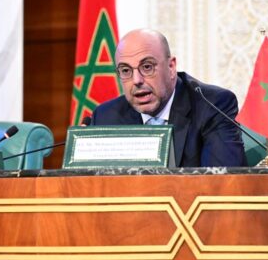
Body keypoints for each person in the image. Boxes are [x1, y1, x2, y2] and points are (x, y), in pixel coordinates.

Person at [91, 29, 246, 167]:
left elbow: (223, 182)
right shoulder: (105, 117)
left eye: (147, 67)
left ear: (171, 67)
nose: (136, 80)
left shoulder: (212, 106)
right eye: (125, 70)